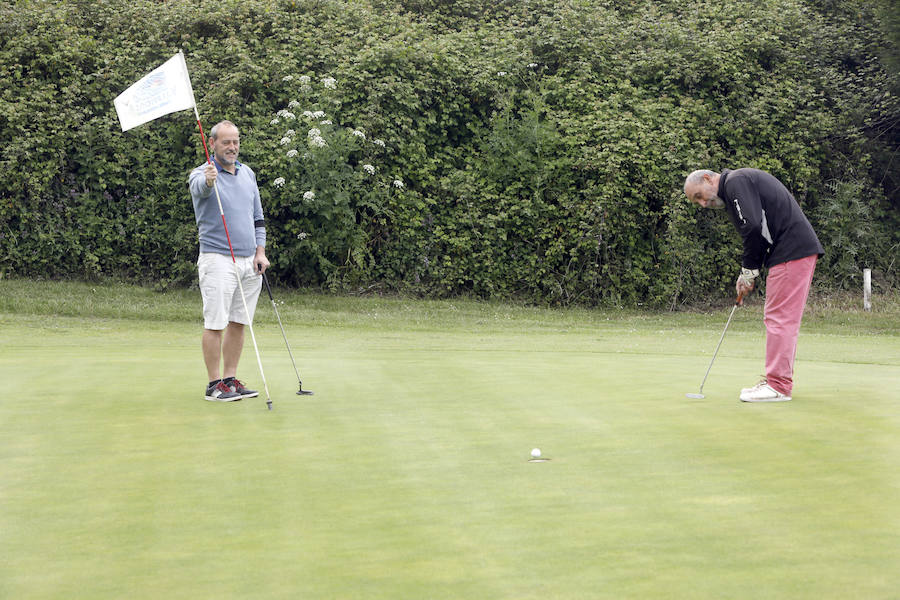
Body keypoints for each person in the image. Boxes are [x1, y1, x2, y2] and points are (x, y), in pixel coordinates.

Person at [683, 168, 824, 402]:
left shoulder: (735, 182)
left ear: (708, 179)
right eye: (696, 201)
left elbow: (752, 227)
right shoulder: (736, 188)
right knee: (777, 316)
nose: (703, 204)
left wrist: (748, 271)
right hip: (790, 250)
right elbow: (757, 229)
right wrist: (748, 272)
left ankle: (778, 386)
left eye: (699, 195)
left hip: (792, 250)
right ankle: (776, 382)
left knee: (779, 317)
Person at [188, 120, 270, 402]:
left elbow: (258, 217)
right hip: (217, 259)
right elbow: (201, 188)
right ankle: (214, 385)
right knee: (216, 322)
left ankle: (230, 380)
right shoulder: (202, 174)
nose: (232, 147)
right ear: (212, 144)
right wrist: (210, 180)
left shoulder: (247, 174)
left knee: (238, 321)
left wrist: (261, 252)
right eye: (226, 142)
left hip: (250, 261)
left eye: (235, 141)